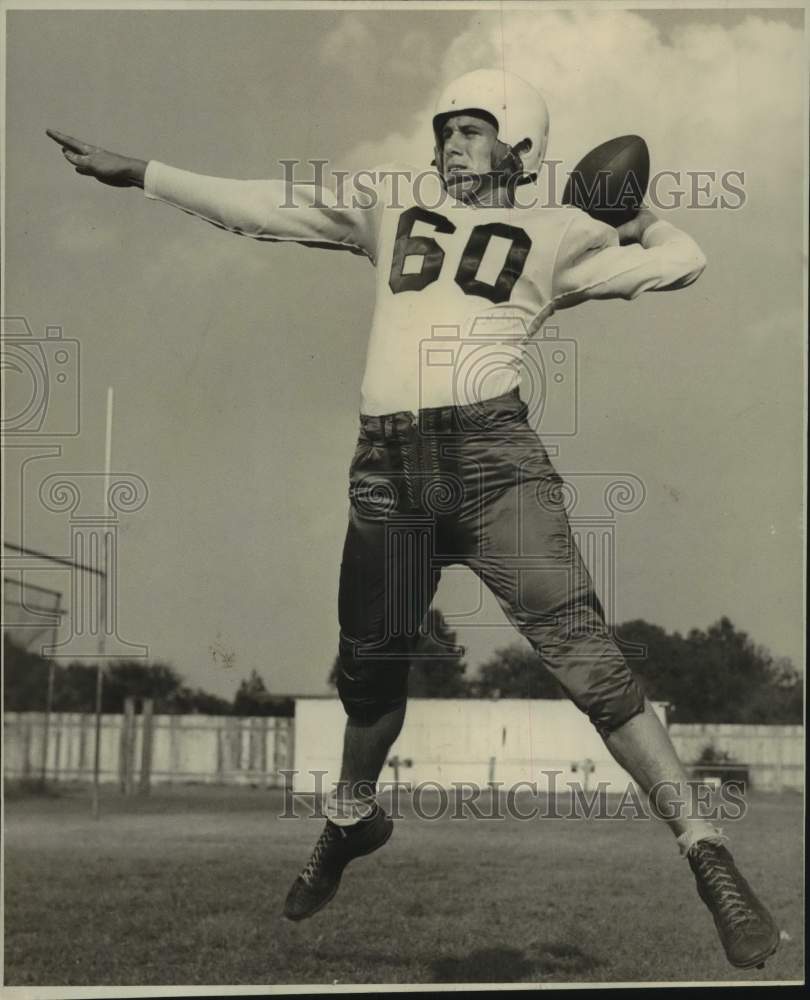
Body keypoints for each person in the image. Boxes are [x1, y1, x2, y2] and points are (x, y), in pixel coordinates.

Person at [48, 67, 779, 971]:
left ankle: (707, 853)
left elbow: (685, 260)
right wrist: (146, 172)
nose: (449, 144)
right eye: (444, 130)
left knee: (589, 658)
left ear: (519, 147)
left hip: (493, 462)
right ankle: (352, 818)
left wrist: (630, 215)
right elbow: (266, 206)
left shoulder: (559, 230)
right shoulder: (388, 214)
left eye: (472, 129)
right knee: (370, 674)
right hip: (390, 469)